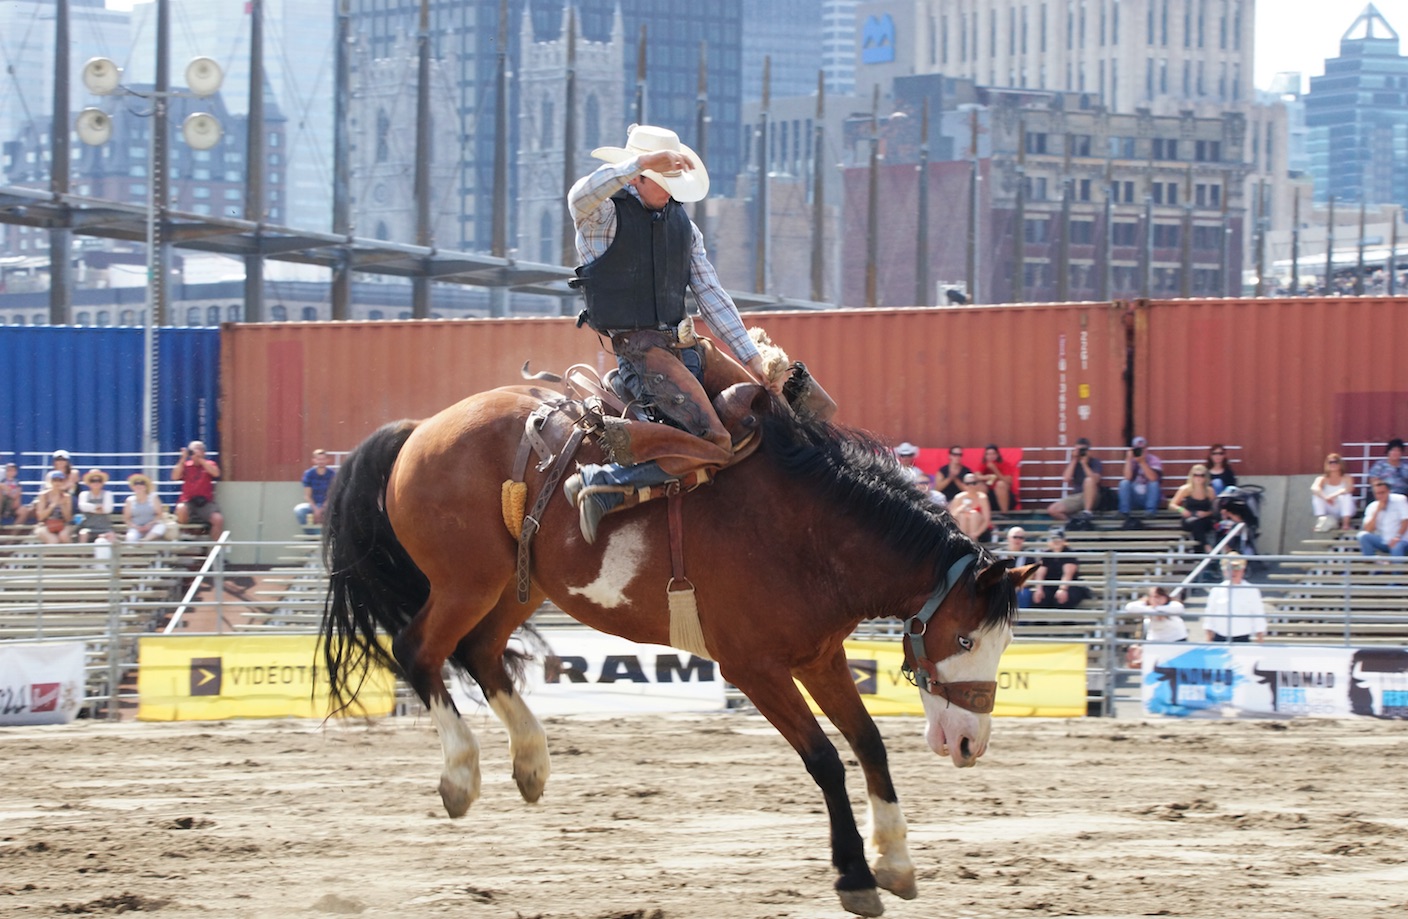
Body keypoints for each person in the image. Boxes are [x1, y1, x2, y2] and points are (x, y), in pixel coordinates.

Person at [561, 124, 781, 543]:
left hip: (686, 347)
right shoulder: (602, 217)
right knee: (715, 442)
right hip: (642, 354)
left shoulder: (684, 226)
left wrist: (754, 360)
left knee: (777, 409)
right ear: (636, 179)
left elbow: (711, 295)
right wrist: (639, 163)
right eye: (662, 180)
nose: (671, 190)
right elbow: (578, 196)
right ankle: (600, 483)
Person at [1201, 554, 1267, 642]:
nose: (1233, 572)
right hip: (1220, 637)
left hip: (1242, 638)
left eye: (1237, 569)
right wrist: (1208, 637)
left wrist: (1260, 638)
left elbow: (1258, 613)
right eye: (1229, 569)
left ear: (1242, 570)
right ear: (1224, 572)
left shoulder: (1251, 590)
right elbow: (1210, 614)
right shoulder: (1216, 590)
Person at [1123, 585, 1188, 666]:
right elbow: (1130, 607)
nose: (1157, 599)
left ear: (1165, 597)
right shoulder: (1145, 605)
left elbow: (1179, 608)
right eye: (1153, 597)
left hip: (1175, 639)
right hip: (1155, 641)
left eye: (1160, 596)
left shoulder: (1172, 604)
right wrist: (1152, 609)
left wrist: (1156, 610)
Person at [1029, 527, 1091, 609]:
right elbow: (1040, 573)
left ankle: (1067, 621)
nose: (1056, 542)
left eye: (1058, 539)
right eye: (1053, 539)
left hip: (1070, 585)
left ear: (1064, 541)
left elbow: (1068, 574)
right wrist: (1039, 589)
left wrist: (1062, 589)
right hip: (1050, 585)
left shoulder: (1069, 553)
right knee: (1040, 599)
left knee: (1063, 599)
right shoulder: (1045, 554)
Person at [173, 440, 223, 539]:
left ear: (204, 452)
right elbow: (175, 476)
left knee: (218, 519)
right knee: (181, 508)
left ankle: (215, 550)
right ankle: (185, 534)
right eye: (193, 450)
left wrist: (201, 460)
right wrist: (183, 459)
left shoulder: (210, 464)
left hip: (205, 503)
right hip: (188, 501)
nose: (196, 452)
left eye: (199, 449)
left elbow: (216, 474)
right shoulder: (186, 465)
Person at [1048, 437, 1102, 526]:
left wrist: (1084, 464)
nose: (1081, 452)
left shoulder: (1095, 462)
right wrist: (1074, 460)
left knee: (1088, 480)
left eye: (1083, 450)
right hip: (1077, 496)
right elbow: (1066, 478)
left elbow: (1095, 480)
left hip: (1092, 496)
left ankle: (1087, 512)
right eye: (1078, 450)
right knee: (1053, 510)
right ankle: (1073, 524)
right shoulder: (1074, 463)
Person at [1167, 464, 1219, 553]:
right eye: (1196, 475)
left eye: (1202, 475)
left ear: (1205, 477)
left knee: (1200, 524)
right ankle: (1206, 546)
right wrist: (1182, 510)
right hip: (1189, 518)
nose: (1198, 478)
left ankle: (1199, 551)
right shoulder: (1185, 489)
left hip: (1205, 519)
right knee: (1196, 523)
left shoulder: (1209, 491)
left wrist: (1206, 513)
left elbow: (1216, 508)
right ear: (1192, 476)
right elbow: (1172, 504)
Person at [1118, 435, 1164, 528]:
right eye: (1138, 449)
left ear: (1147, 449)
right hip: (1135, 496)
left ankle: (1150, 512)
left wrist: (1142, 462)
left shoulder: (1154, 460)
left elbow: (1154, 478)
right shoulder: (1131, 460)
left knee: (1154, 484)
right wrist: (1128, 459)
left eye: (1143, 448)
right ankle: (1124, 512)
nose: (1141, 451)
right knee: (1123, 483)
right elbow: (1127, 477)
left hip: (1149, 495)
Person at [1358, 478, 1408, 559]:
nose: (1380, 495)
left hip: (1402, 540)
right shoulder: (1372, 506)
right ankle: (1371, 565)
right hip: (1383, 540)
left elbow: (1406, 520)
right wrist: (1377, 511)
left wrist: (1397, 537)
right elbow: (1368, 529)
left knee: (1397, 547)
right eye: (1377, 493)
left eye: (1382, 493)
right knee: (1362, 535)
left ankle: (1397, 571)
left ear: (1388, 491)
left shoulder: (1400, 499)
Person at [76, 469, 117, 561]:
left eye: (98, 480)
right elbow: (82, 506)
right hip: (88, 527)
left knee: (112, 536)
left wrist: (91, 508)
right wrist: (97, 508)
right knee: (83, 534)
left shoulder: (107, 494)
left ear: (102, 483)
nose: (96, 483)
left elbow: (108, 509)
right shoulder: (84, 494)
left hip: (104, 527)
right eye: (93, 481)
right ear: (88, 483)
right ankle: (83, 562)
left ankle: (113, 563)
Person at [1310, 452, 1357, 532]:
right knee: (1316, 496)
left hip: (1343, 508)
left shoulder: (1347, 477)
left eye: (1336, 462)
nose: (1333, 464)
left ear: (1340, 464)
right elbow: (1314, 488)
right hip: (1329, 508)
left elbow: (1349, 489)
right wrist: (1325, 497)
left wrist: (1332, 496)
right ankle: (1321, 522)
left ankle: (1346, 525)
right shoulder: (1322, 478)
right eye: (1330, 462)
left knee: (1346, 496)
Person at [295, 448, 336, 530]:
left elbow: (333, 494)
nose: (321, 461)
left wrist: (323, 508)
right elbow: (307, 496)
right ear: (314, 460)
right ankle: (312, 536)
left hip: (328, 505)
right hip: (313, 505)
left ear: (327, 460)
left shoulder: (332, 474)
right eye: (319, 459)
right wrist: (316, 509)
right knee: (299, 510)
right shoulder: (309, 474)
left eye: (323, 459)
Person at [946, 472, 992, 542]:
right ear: (964, 485)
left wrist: (976, 534)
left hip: (980, 531)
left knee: (974, 514)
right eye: (967, 484)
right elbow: (952, 516)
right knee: (962, 516)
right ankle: (963, 540)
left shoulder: (982, 497)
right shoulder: (959, 497)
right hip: (962, 528)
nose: (971, 486)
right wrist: (962, 507)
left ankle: (972, 540)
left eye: (973, 483)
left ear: (977, 484)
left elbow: (986, 520)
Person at [32, 470, 74, 544]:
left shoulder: (67, 497)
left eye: (60, 480)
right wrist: (52, 505)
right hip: (44, 525)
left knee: (64, 536)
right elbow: (40, 517)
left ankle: (69, 555)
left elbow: (68, 519)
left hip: (62, 524)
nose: (57, 483)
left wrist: (62, 505)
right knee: (53, 541)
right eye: (54, 480)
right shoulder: (44, 495)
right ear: (50, 481)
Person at [123, 473, 167, 542]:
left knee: (161, 527)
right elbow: (127, 518)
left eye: (142, 484)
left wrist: (150, 524)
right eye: (136, 484)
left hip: (152, 526)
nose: (138, 486)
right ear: (133, 487)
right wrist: (135, 527)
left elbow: (159, 514)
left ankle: (145, 540)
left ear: (146, 487)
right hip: (136, 527)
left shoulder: (153, 498)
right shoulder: (129, 500)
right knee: (130, 538)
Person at [1001, 526, 1039, 607]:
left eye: (1021, 538)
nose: (1018, 540)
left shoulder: (1029, 556)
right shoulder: (998, 554)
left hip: (1021, 586)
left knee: (1024, 594)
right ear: (1008, 538)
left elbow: (1032, 576)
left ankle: (1021, 619)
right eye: (1015, 537)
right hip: (1001, 585)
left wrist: (1017, 586)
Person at [979, 443, 1019, 512]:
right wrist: (985, 477)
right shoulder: (984, 464)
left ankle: (1004, 513)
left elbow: (1008, 481)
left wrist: (995, 470)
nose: (990, 456)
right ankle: (982, 513)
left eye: (993, 454)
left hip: (1006, 497)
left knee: (1000, 484)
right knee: (979, 486)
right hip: (990, 496)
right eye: (988, 454)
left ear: (997, 455)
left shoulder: (1005, 464)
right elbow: (976, 476)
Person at [1, 461, 24, 526]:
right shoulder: (3, 481)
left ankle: (14, 532)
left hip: (13, 499)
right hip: (4, 499)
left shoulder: (17, 482)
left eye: (13, 471)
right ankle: (5, 511)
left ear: (16, 472)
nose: (11, 472)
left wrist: (14, 495)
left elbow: (19, 491)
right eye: (9, 470)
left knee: (13, 501)